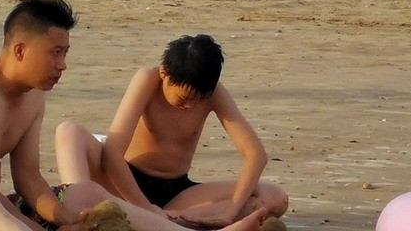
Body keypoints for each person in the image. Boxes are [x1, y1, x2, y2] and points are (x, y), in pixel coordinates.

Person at [0, 0, 268, 231]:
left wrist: (70, 219)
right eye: (55, 53)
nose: (63, 65)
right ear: (20, 50)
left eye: (65, 53)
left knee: (82, 192)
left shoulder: (32, 97)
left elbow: (28, 179)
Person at [55, 34, 288, 226]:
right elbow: (113, 153)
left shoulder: (214, 93)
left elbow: (255, 155)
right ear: (164, 74)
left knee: (274, 197)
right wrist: (144, 207)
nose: (191, 106)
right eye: (184, 99)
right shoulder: (148, 79)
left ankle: (164, 222)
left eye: (199, 99)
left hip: (176, 194)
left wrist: (229, 210)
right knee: (69, 131)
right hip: (125, 180)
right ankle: (79, 215)